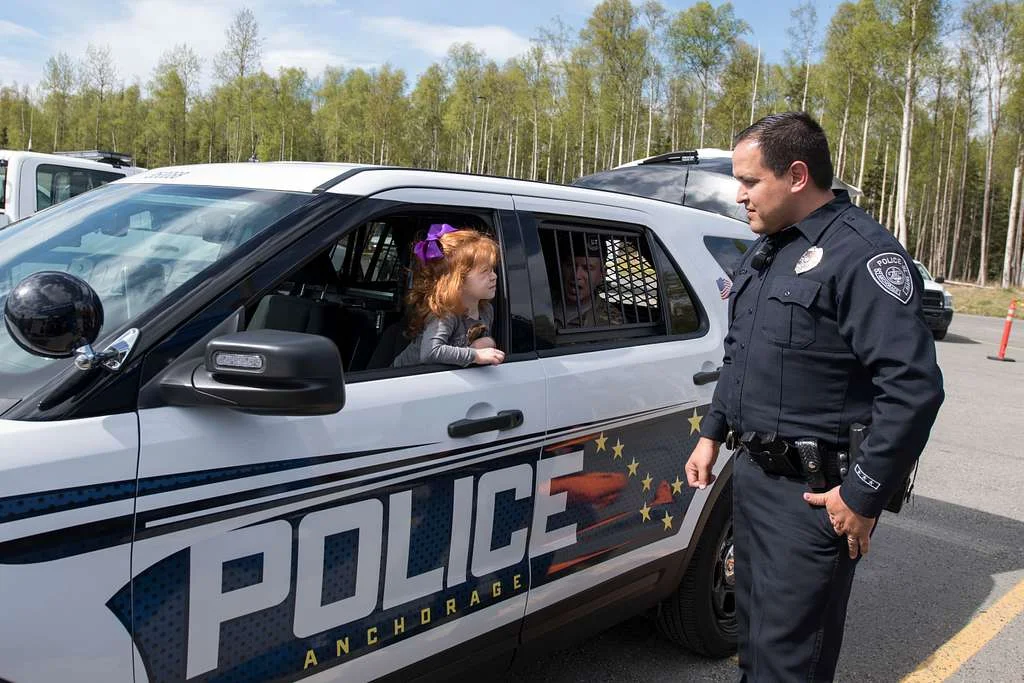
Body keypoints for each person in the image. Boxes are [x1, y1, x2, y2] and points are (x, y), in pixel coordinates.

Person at [684, 112, 944, 681]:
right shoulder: (768, 249)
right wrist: (711, 431)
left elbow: (913, 387)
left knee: (790, 660)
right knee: (755, 645)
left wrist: (863, 493)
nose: (739, 194)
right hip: (752, 479)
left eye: (750, 181)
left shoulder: (862, 255)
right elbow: (742, 353)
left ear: (796, 175)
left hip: (815, 498)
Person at [392, 223, 505, 368]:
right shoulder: (446, 314)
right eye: (485, 271)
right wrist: (475, 355)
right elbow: (431, 351)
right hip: (402, 378)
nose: (494, 276)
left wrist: (484, 344)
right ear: (459, 280)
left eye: (492, 269)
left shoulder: (486, 310)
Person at [552, 233, 625, 329]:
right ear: (561, 267)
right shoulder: (540, 302)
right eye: (570, 265)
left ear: (602, 274)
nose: (576, 275)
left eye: (587, 268)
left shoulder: (611, 322)